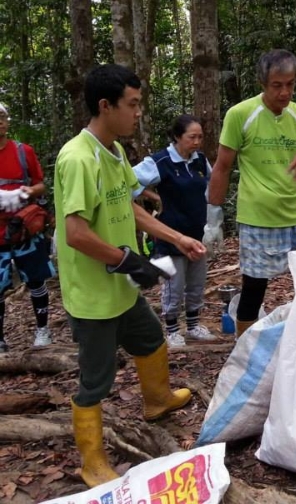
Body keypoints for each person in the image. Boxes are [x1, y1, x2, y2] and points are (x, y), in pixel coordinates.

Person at [54, 64, 206, 487]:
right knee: (95, 380)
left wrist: (176, 238)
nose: (139, 113)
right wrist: (126, 261)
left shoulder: (116, 152)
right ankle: (92, 461)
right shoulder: (78, 158)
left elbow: (132, 208)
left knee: (150, 339)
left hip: (120, 283)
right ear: (106, 106)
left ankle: (157, 400)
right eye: (132, 104)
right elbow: (76, 233)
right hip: (93, 295)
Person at [206, 49, 296, 337]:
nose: (284, 92)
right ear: (262, 83)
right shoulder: (240, 115)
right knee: (255, 285)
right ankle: (243, 346)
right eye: (277, 85)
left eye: (290, 84)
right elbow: (223, 167)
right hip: (258, 216)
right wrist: (212, 218)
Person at [133, 115, 214, 348]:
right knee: (173, 285)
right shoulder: (159, 162)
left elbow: (208, 185)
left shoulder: (199, 160)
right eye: (192, 137)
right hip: (171, 236)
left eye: (200, 137)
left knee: (197, 282)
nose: (197, 142)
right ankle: (171, 330)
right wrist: (154, 199)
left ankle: (193, 325)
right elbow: (129, 183)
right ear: (177, 137)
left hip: (197, 233)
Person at [0, 103, 55, 352]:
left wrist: (27, 192)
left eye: (1, 117)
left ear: (7, 122)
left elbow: (40, 185)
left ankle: (43, 331)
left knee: (36, 280)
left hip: (25, 228)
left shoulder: (24, 152)